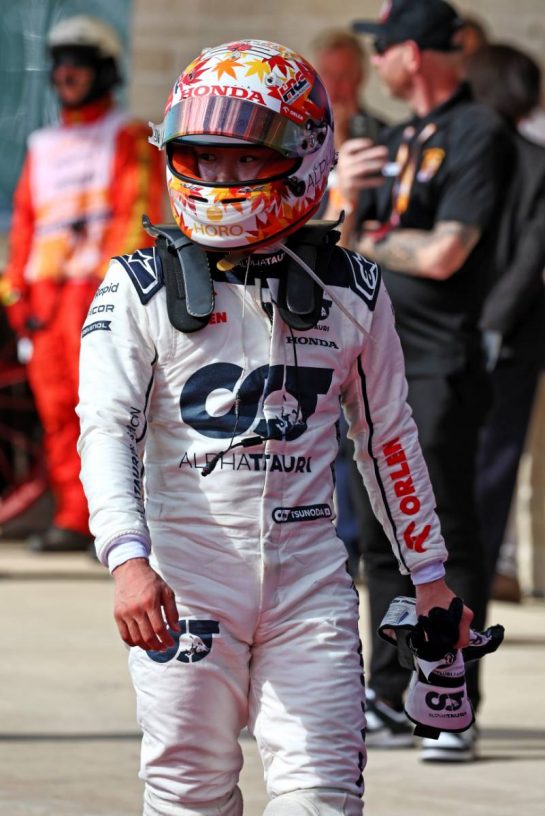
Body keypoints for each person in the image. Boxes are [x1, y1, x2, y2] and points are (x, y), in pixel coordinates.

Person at [76, 39, 472, 815]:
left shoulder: (353, 288)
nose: (220, 177)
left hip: (310, 588)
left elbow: (387, 438)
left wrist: (427, 576)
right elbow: (105, 430)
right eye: (204, 157)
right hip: (186, 583)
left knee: (323, 797)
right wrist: (127, 559)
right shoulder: (136, 286)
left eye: (244, 158)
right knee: (187, 795)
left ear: (304, 155)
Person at [331, 0, 512, 760]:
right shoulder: (393, 140)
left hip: (440, 359)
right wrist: (343, 196)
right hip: (375, 360)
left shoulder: (477, 131)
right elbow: (341, 247)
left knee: (442, 535)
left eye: (382, 48)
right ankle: (388, 692)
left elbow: (445, 254)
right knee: (380, 535)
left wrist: (373, 236)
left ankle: (450, 704)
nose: (375, 61)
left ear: (413, 53)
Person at [1, 15, 164, 551]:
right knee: (55, 410)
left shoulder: (130, 136)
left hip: (95, 290)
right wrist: (16, 292)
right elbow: (25, 223)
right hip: (45, 298)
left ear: (104, 70)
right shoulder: (42, 144)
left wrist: (110, 291)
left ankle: (122, 523)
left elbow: (137, 216)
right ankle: (75, 518)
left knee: (111, 407)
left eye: (79, 64)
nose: (66, 74)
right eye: (59, 64)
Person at [467, 45, 545, 597]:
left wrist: (488, 324)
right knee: (489, 471)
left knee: (485, 469)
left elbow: (530, 254)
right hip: (502, 332)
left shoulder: (478, 153)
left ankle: (457, 590)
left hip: (499, 336)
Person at [311, 29, 386, 580]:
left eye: (343, 74)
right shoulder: (302, 136)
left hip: (365, 296)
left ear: (360, 75)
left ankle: (362, 542)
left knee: (367, 429)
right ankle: (333, 541)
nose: (336, 86)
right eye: (327, 76)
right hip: (309, 295)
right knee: (323, 430)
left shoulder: (379, 137)